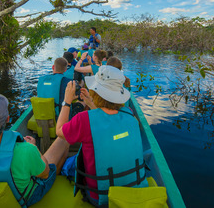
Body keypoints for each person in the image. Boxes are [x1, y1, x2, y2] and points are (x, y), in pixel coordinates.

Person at [56, 66, 148, 207]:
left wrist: (66, 101)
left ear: (95, 91)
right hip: (136, 187)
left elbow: (60, 131)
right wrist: (91, 104)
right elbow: (108, 121)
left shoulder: (83, 119)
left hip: (99, 197)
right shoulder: (129, 114)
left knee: (68, 164)